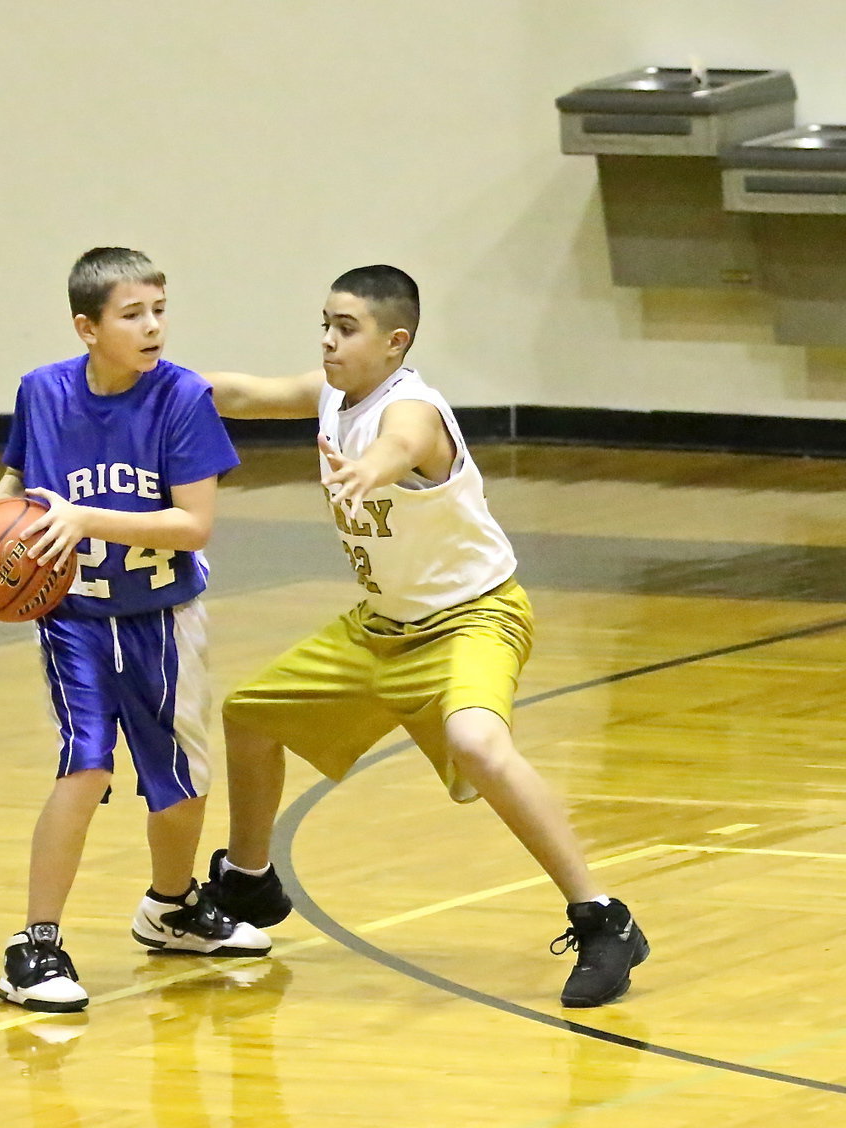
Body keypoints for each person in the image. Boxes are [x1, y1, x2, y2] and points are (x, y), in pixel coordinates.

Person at [200, 264, 648, 1008]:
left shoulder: (414, 411)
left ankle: (604, 919)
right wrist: (139, 374)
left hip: (474, 618)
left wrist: (369, 471)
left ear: (394, 341)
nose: (329, 340)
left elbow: (400, 446)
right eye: (325, 324)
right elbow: (242, 393)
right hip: (381, 627)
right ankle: (250, 882)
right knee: (249, 715)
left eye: (346, 329)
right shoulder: (333, 392)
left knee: (478, 743)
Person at [0, 247, 270, 1014]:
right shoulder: (42, 392)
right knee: (86, 766)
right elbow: (17, 475)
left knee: (181, 783)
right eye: (133, 315)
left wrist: (81, 517)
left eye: (160, 311)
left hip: (162, 615)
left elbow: (194, 524)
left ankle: (171, 906)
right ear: (88, 327)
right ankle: (34, 944)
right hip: (72, 616)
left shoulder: (180, 399)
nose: (153, 328)